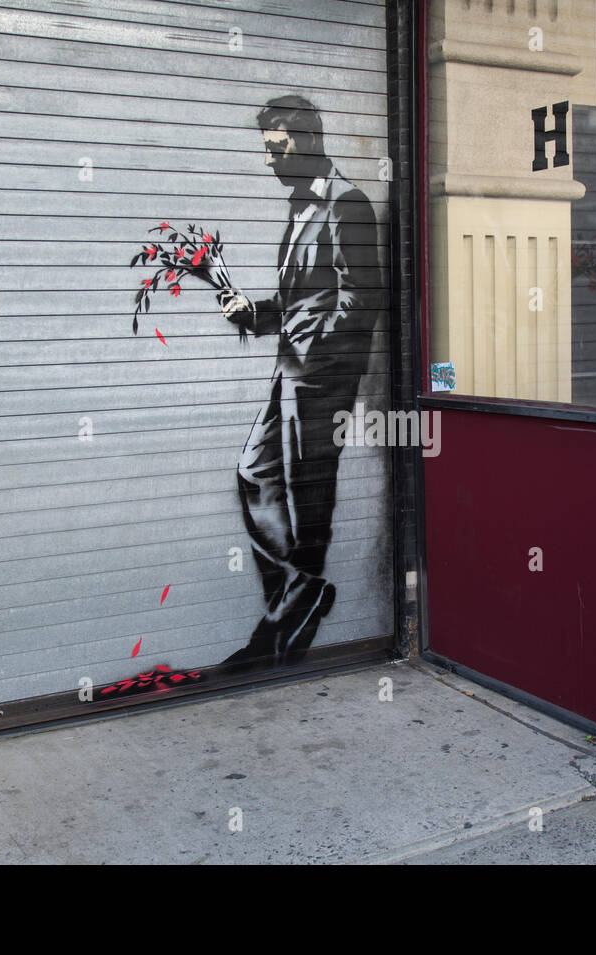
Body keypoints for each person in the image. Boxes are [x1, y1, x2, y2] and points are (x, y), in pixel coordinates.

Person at [217, 95, 382, 669]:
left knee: (308, 491)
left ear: (309, 140)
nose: (270, 161)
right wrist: (256, 313)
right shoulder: (302, 207)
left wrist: (313, 354)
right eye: (266, 149)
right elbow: (303, 301)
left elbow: (362, 300)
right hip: (290, 372)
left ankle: (290, 609)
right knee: (255, 474)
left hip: (320, 380)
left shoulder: (347, 204)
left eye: (277, 147)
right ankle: (300, 588)